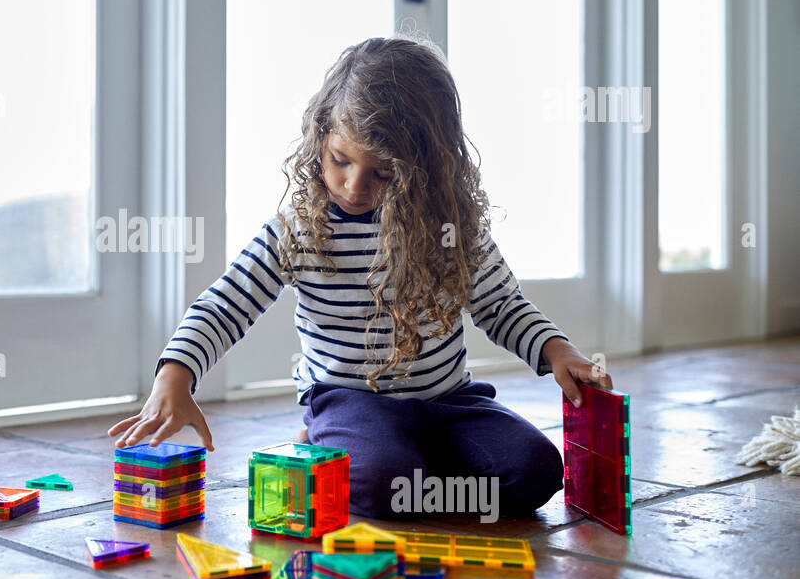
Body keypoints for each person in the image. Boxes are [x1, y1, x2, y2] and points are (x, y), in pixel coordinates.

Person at [107, 36, 612, 519]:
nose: (354, 185)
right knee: (379, 482)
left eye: (383, 173)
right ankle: (379, 460)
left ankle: (407, 474)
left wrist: (556, 350)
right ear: (320, 137)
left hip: (449, 402)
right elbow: (227, 304)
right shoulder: (300, 229)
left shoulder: (450, 227)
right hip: (350, 400)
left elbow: (501, 306)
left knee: (537, 472)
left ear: (425, 168)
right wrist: (176, 373)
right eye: (340, 161)